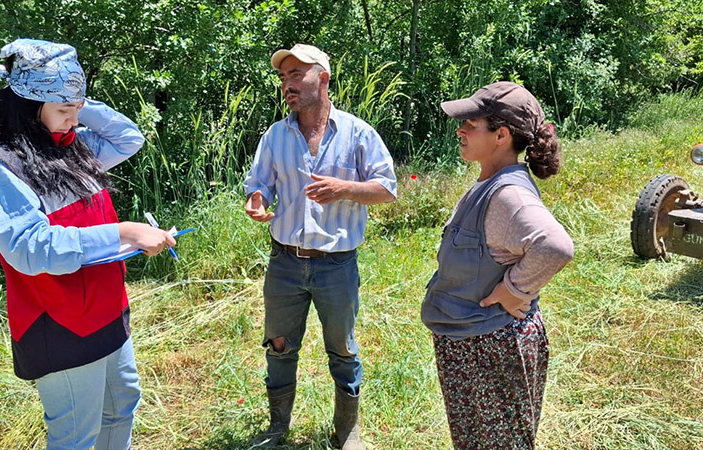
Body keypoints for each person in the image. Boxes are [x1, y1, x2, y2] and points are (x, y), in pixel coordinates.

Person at [0, 39, 176, 450]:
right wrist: (124, 233)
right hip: (57, 319)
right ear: (29, 106)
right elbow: (28, 246)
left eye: (76, 110)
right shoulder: (4, 165)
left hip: (106, 307)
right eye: (64, 111)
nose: (72, 119)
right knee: (75, 435)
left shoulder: (72, 145)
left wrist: (74, 100)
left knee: (121, 406)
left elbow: (128, 138)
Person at [243, 43, 397, 449]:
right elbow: (259, 185)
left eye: (296, 75)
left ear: (323, 78)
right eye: (283, 77)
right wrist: (256, 200)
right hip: (285, 263)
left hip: (336, 264)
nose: (287, 85)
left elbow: (387, 188)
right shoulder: (276, 135)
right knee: (278, 345)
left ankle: (347, 431)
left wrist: (345, 189)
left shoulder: (358, 133)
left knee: (343, 347)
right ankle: (278, 428)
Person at [420, 82, 574, 449]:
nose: (460, 129)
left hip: (490, 347)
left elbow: (555, 246)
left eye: (470, 123)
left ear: (501, 135)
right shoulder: (492, 182)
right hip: (473, 345)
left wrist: (514, 290)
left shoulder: (509, 194)